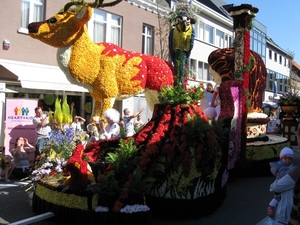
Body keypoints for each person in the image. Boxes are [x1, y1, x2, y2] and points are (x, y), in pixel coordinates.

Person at [268, 147, 295, 218]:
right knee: (278, 196)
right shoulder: (281, 167)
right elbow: (285, 175)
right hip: (281, 183)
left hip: (284, 185)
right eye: (285, 158)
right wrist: (293, 171)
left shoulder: (289, 166)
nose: (288, 161)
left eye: (290, 159)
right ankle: (271, 206)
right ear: (281, 158)